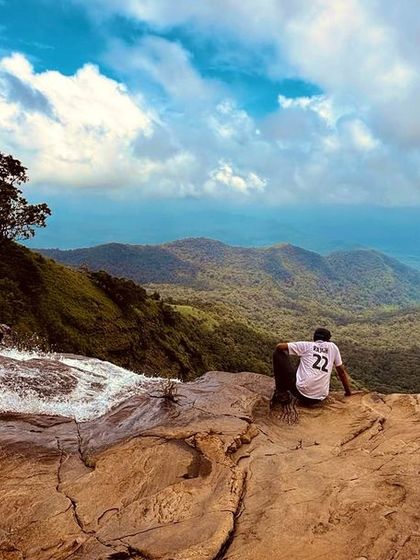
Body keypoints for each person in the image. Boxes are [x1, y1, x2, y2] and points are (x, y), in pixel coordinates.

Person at [271, 327, 351, 407]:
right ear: (328, 339)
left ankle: (281, 392)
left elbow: (279, 347)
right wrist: (348, 392)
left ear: (314, 337)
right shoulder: (333, 348)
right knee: (302, 358)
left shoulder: (307, 345)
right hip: (320, 397)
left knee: (277, 353)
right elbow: (342, 372)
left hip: (300, 394)